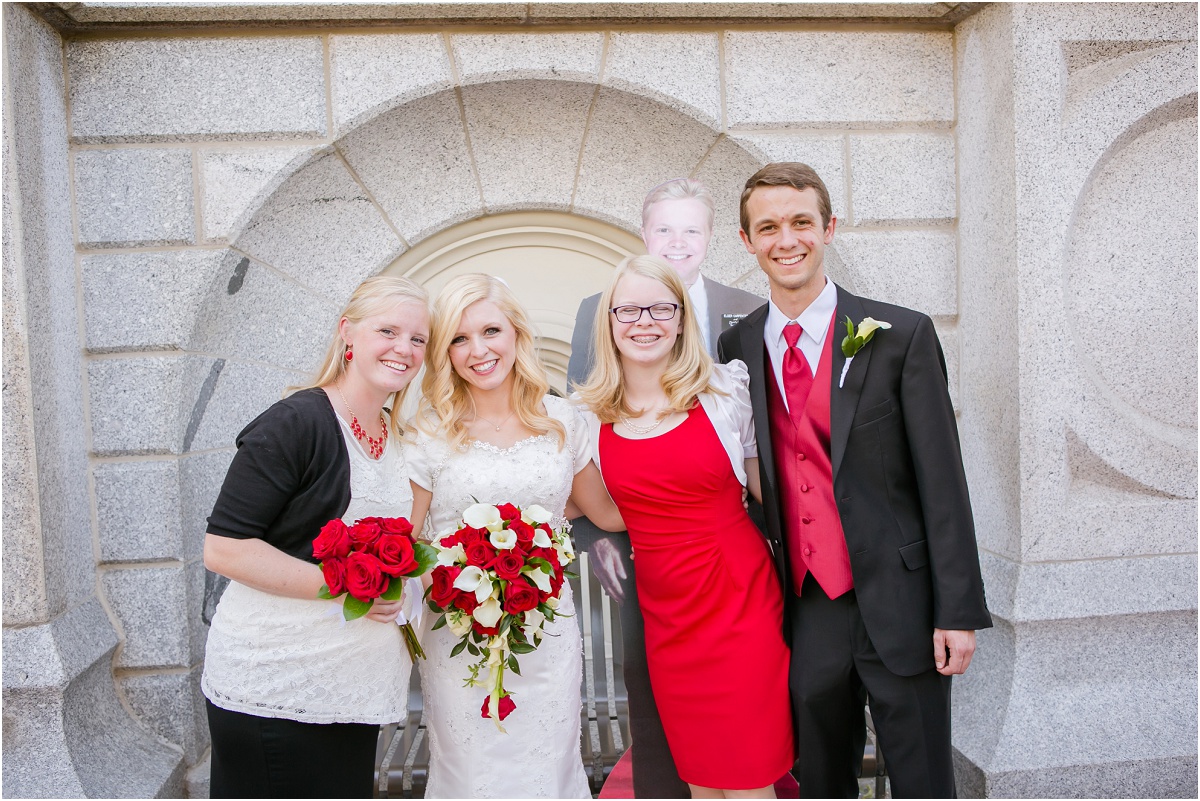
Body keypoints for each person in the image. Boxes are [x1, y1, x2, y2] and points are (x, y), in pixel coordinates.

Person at [717, 162, 992, 798]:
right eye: (768, 227)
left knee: (923, 780)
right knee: (820, 781)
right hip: (806, 608)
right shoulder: (734, 348)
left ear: (829, 227)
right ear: (747, 240)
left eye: (801, 223)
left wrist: (957, 612)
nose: (787, 239)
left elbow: (944, 483)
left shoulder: (900, 336)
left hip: (906, 603)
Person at [567, 178, 765, 798]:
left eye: (661, 309)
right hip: (664, 616)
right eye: (629, 309)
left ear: (682, 319)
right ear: (609, 321)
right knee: (700, 778)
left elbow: (773, 489)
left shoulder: (727, 392)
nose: (644, 321)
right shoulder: (585, 420)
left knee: (751, 776)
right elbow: (597, 510)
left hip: (741, 605)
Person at [201, 275, 431, 797]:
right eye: (389, 331)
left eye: (418, 339)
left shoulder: (396, 434)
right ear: (348, 333)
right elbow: (224, 548)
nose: (404, 349)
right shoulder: (296, 422)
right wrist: (345, 586)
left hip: (350, 692)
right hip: (277, 688)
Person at [405, 273, 625, 799]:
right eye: (459, 339)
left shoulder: (563, 421)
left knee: (546, 766)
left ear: (517, 334)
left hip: (546, 633)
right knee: (470, 769)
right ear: (445, 353)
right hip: (459, 632)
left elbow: (606, 512)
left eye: (490, 331)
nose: (478, 350)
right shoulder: (427, 432)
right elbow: (409, 538)